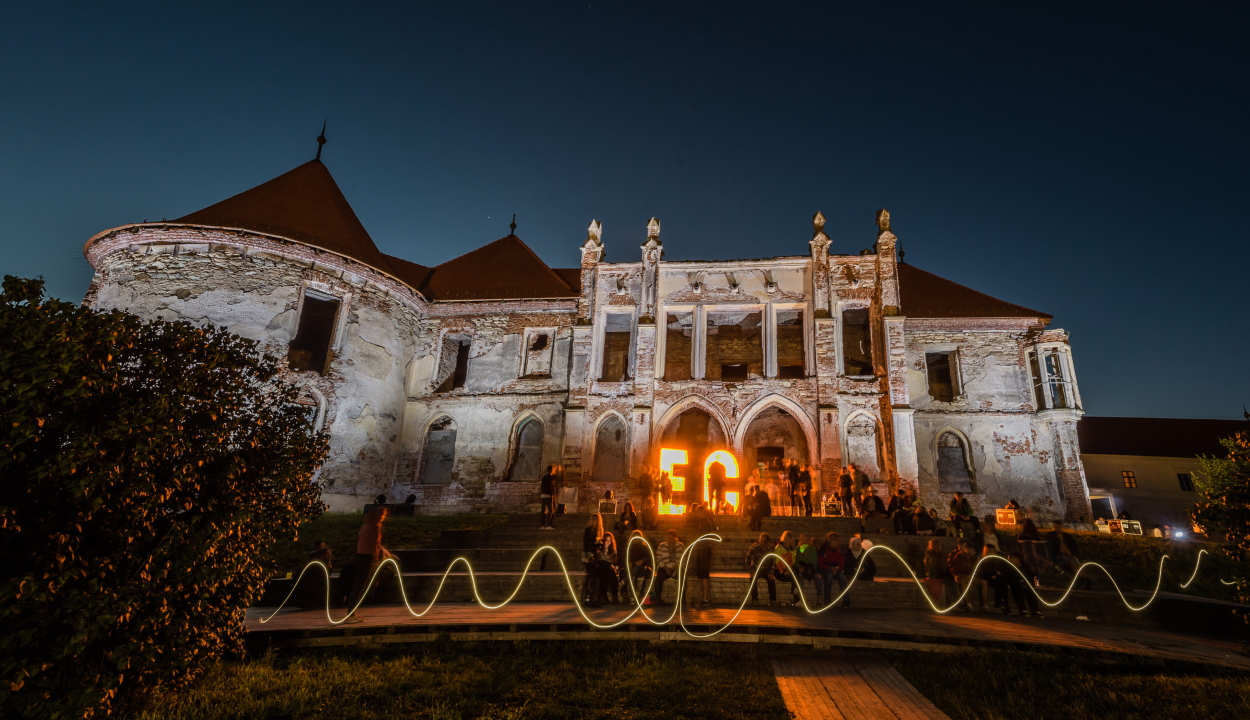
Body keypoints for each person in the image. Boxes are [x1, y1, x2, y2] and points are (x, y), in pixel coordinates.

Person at [345, 506, 388, 622]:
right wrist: (376, 559)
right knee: (360, 587)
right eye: (382, 515)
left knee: (358, 586)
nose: (383, 517)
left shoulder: (365, 526)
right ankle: (350, 615)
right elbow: (375, 546)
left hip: (361, 557)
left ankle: (352, 613)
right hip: (367, 558)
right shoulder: (375, 527)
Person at [687, 503, 717, 606]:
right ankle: (706, 597)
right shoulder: (704, 521)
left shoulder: (704, 522)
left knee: (704, 575)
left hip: (703, 549)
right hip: (703, 549)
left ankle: (706, 598)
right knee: (704, 575)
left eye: (697, 512)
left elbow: (701, 536)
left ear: (702, 512)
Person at [649, 529, 683, 605]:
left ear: (675, 537)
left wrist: (677, 567)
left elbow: (683, 559)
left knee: (683, 575)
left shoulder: (680, 546)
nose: (669, 539)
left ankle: (681, 598)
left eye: (671, 537)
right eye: (668, 537)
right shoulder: (662, 546)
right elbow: (659, 559)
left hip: (676, 568)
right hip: (665, 568)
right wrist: (666, 568)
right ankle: (658, 598)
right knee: (659, 576)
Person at [1006, 551, 1043, 618]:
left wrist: (1027, 583)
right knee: (1017, 590)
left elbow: (1030, 576)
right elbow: (1010, 578)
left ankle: (1035, 610)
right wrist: (1019, 583)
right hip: (1015, 584)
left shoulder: (1024, 566)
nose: (1011, 560)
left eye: (1013, 558)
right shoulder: (1010, 567)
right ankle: (1022, 609)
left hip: (1025, 583)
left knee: (1030, 591)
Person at [946, 540, 981, 612]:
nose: (974, 553)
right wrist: (960, 574)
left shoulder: (973, 558)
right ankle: (967, 603)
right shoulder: (958, 556)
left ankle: (984, 604)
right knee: (963, 581)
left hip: (969, 576)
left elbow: (975, 569)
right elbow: (954, 568)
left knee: (984, 582)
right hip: (959, 576)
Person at [841, 535, 876, 607]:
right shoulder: (848, 553)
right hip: (852, 574)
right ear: (851, 545)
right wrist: (854, 570)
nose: (856, 546)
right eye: (855, 544)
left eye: (858, 544)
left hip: (864, 574)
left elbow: (872, 567)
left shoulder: (864, 553)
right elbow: (845, 566)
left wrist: (864, 570)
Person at [816, 532, 847, 608]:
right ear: (829, 540)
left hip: (836, 568)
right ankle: (827, 600)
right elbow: (820, 563)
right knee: (829, 576)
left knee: (842, 577)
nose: (836, 542)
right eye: (834, 540)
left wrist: (837, 568)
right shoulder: (823, 548)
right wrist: (829, 567)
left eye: (837, 540)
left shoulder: (840, 549)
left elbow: (842, 562)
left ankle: (846, 601)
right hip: (826, 568)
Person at [746, 532, 777, 606]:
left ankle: (773, 600)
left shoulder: (770, 548)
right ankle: (754, 599)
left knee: (771, 580)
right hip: (756, 569)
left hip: (766, 569)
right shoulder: (754, 547)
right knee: (753, 580)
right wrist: (750, 570)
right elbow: (747, 557)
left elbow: (773, 561)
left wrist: (771, 572)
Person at [582, 514, 605, 607]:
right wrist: (590, 555)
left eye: (596, 520)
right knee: (591, 576)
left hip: (594, 555)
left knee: (593, 576)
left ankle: (592, 597)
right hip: (589, 555)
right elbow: (586, 543)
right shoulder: (589, 530)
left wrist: (599, 544)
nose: (594, 522)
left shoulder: (598, 531)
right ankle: (588, 598)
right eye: (593, 519)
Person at [773, 531, 801, 606]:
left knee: (796, 573)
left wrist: (789, 570)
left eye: (790, 538)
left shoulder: (793, 549)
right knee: (796, 577)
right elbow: (777, 561)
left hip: (790, 571)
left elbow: (794, 561)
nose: (788, 540)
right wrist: (783, 571)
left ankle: (796, 595)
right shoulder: (778, 548)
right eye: (787, 538)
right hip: (780, 572)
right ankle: (796, 597)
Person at [922, 539, 950, 607]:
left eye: (940, 546)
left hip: (940, 575)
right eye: (937, 546)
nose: (939, 547)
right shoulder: (930, 555)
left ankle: (949, 603)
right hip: (934, 575)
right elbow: (930, 567)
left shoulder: (941, 555)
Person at [795, 533, 819, 604]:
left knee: (818, 578)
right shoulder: (798, 549)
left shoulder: (812, 549)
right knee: (799, 576)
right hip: (801, 569)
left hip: (810, 569)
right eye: (802, 539)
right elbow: (797, 561)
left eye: (806, 539)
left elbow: (813, 562)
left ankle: (820, 598)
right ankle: (799, 598)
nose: (804, 541)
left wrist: (806, 556)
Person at [598, 531, 621, 604]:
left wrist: (608, 561)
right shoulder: (599, 548)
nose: (608, 542)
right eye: (607, 540)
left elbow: (614, 560)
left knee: (612, 576)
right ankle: (603, 596)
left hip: (609, 566)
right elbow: (599, 558)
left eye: (610, 541)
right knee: (604, 573)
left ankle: (614, 596)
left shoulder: (613, 550)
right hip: (601, 566)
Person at [538, 465, 558, 529]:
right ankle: (548, 525)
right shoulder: (551, 478)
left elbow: (541, 486)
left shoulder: (543, 478)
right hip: (548, 495)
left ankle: (542, 525)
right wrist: (553, 494)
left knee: (543, 510)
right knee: (550, 510)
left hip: (543, 495)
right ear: (552, 470)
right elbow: (552, 486)